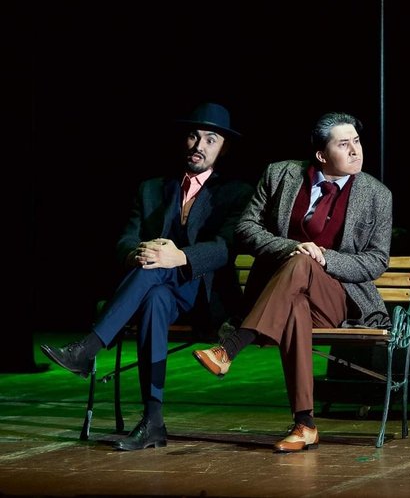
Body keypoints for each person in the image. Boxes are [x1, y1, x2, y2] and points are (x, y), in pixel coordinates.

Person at [40, 101, 253, 451]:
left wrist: (178, 256)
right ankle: (153, 421)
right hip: (160, 295)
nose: (199, 145)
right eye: (194, 136)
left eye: (210, 139)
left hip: (204, 298)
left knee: (155, 271)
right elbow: (125, 240)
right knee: (153, 291)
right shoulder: (152, 188)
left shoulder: (236, 193)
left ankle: (89, 348)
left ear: (223, 148)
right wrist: (137, 252)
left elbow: (225, 247)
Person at [192, 110, 393, 453]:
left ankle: (231, 346)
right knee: (295, 303)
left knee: (304, 262)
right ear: (321, 154)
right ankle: (305, 424)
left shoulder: (377, 194)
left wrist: (324, 258)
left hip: (336, 298)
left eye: (357, 142)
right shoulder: (279, 175)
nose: (355, 151)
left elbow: (376, 260)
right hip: (285, 296)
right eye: (343, 144)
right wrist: (291, 247)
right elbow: (246, 228)